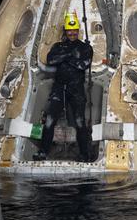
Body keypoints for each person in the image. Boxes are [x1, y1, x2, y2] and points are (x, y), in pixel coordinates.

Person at [35, 12, 94, 161]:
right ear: (66, 30)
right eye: (69, 30)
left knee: (80, 121)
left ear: (78, 30)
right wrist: (70, 55)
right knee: (49, 120)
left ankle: (84, 154)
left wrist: (64, 59)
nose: (72, 33)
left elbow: (83, 65)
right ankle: (43, 152)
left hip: (76, 89)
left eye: (74, 30)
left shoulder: (86, 48)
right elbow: (50, 60)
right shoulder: (58, 46)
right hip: (59, 88)